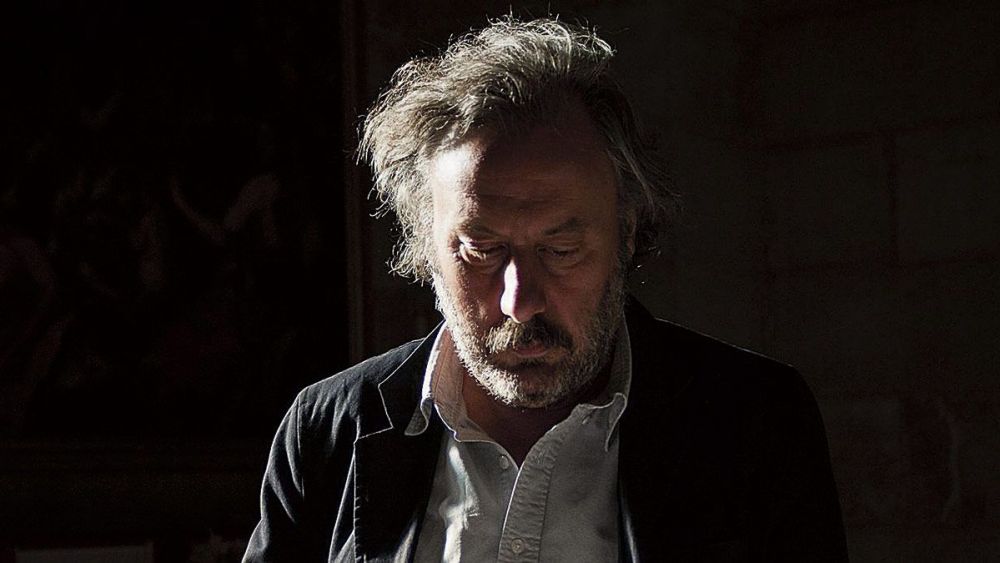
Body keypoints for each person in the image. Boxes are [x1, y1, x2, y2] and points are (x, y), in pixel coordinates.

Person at [243, 17, 847, 562]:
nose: (519, 301)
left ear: (627, 234)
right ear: (425, 247)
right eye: (481, 251)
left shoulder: (756, 420)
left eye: (560, 251)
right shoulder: (326, 429)